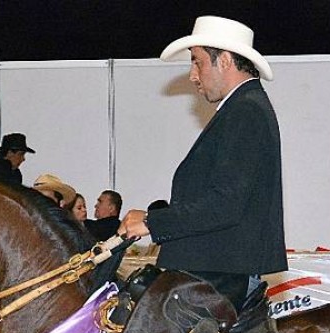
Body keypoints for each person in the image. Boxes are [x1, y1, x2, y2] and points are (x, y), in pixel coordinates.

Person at [118, 16, 286, 309]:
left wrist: (151, 222)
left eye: (197, 62)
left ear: (224, 60)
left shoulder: (246, 112)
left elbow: (226, 204)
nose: (193, 75)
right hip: (213, 272)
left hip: (216, 277)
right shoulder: (244, 108)